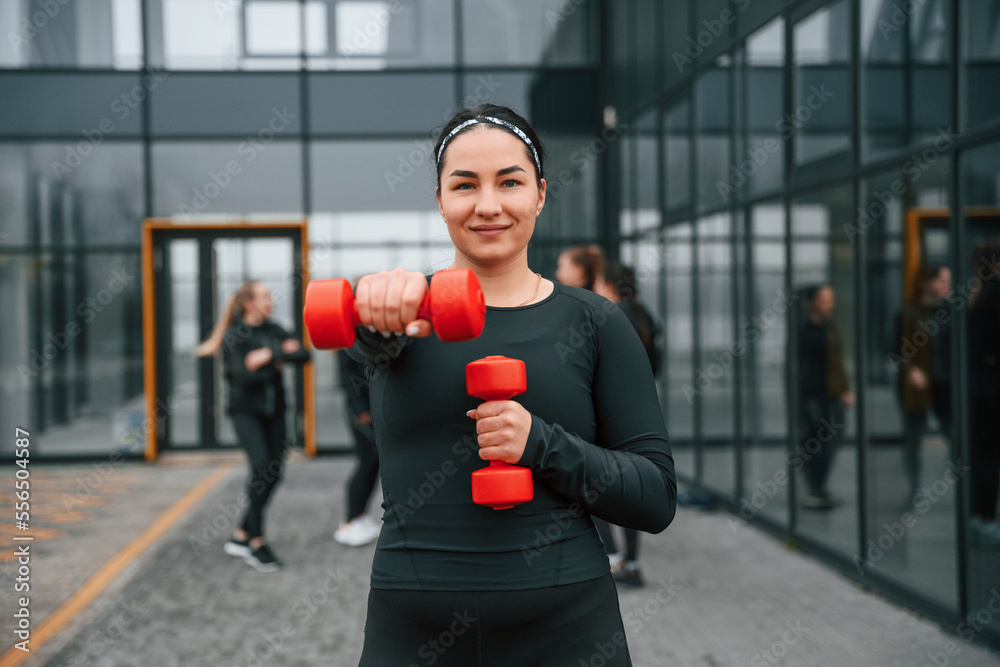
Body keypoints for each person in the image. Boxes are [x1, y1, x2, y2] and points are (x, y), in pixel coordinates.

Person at [347, 104, 676, 666]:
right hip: (414, 630)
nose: (488, 205)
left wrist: (541, 445)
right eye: (465, 184)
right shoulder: (400, 317)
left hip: (567, 629)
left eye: (510, 182)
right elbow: (365, 339)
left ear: (541, 194)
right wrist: (371, 306)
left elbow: (654, 497)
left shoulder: (595, 323)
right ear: (440, 200)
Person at [196, 281, 310, 572]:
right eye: (264, 297)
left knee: (275, 472)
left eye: (270, 296)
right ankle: (256, 541)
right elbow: (242, 376)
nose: (270, 301)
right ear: (248, 303)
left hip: (276, 412)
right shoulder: (236, 335)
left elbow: (303, 355)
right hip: (246, 412)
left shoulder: (274, 329)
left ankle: (241, 533)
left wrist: (269, 356)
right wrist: (279, 356)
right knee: (261, 466)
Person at [590, 261, 663, 587]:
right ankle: (631, 562)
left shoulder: (611, 315)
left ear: (607, 283)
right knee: (632, 488)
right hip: (637, 414)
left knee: (594, 487)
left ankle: (615, 558)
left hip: (609, 413)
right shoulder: (643, 314)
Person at [894, 266, 952, 505]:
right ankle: (914, 490)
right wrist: (911, 369)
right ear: (926, 282)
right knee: (913, 437)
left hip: (946, 383)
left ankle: (968, 491)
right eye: (941, 280)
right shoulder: (908, 312)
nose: (946, 285)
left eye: (948, 281)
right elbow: (894, 348)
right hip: (916, 385)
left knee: (955, 434)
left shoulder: (952, 311)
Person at [797, 284, 854, 510]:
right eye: (824, 299)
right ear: (812, 303)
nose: (829, 303)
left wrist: (844, 390)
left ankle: (819, 487)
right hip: (815, 394)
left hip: (830, 393)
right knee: (818, 442)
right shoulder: (806, 330)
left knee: (832, 438)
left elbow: (836, 363)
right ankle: (816, 489)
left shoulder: (829, 327)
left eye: (830, 299)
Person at [968, 244, 1000, 547]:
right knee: (989, 456)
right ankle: (987, 518)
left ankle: (980, 516)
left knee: (984, 455)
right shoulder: (994, 296)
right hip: (992, 388)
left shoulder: (977, 295)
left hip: (981, 387)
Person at [333, 348, 381, 546]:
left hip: (374, 402)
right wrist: (359, 407)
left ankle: (361, 515)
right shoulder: (348, 333)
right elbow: (345, 374)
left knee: (374, 462)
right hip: (361, 407)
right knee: (367, 461)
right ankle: (350, 520)